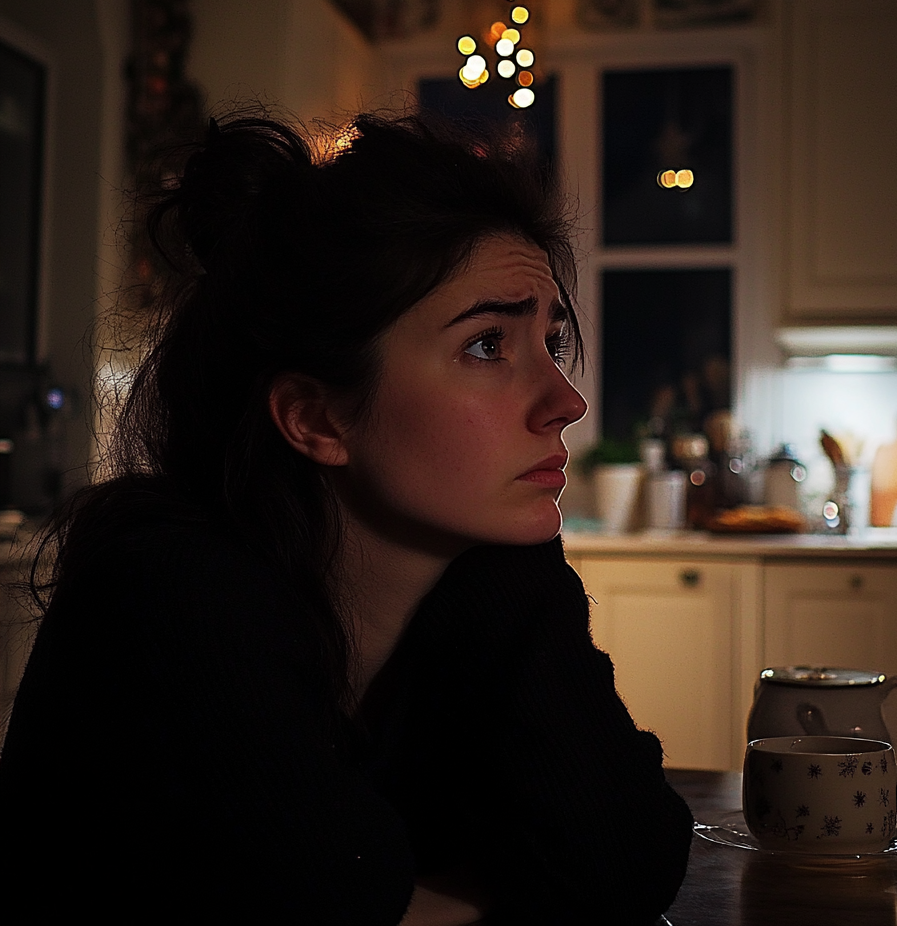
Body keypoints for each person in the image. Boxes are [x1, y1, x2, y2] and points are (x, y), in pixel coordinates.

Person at [0, 111, 693, 924]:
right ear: (317, 419)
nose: (567, 403)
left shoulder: (494, 573)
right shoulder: (166, 591)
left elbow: (628, 866)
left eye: (551, 341)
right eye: (487, 346)